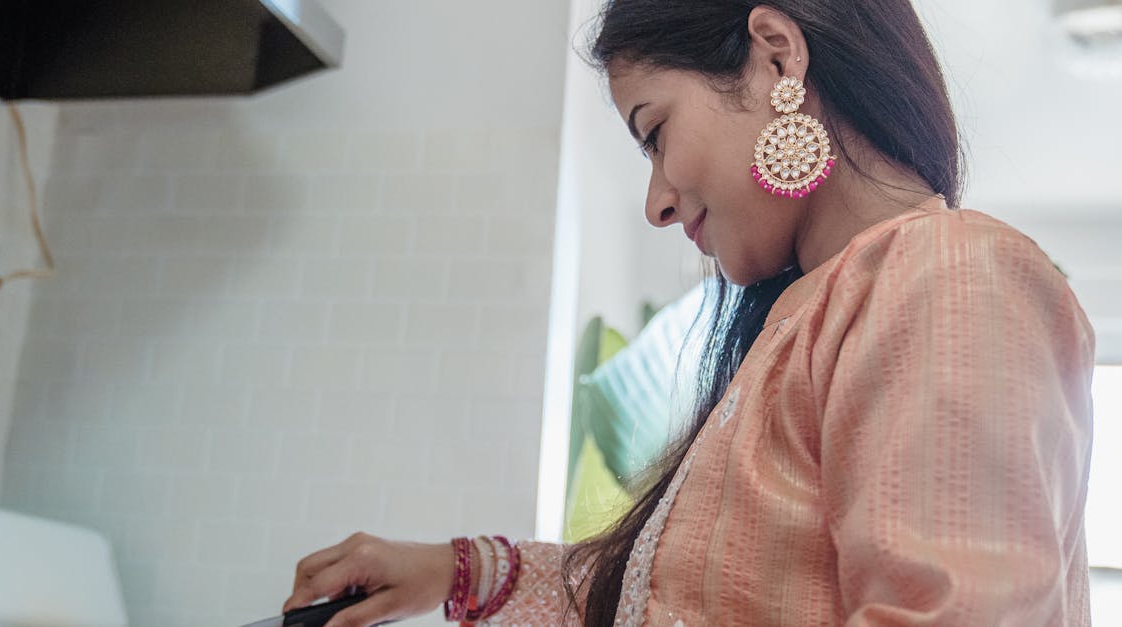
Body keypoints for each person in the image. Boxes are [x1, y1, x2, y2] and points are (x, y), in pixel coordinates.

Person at [282, 1, 1097, 625]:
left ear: (777, 55)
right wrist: (447, 571)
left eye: (655, 132)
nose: (657, 203)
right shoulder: (807, 316)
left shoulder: (947, 276)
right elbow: (665, 599)